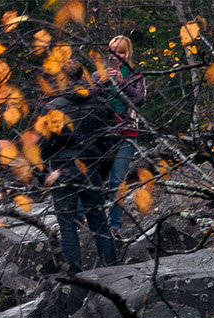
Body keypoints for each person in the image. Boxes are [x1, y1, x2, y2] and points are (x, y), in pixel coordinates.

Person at [43, 90, 119, 270]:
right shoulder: (100, 104)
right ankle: (113, 269)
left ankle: (75, 277)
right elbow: (111, 141)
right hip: (91, 167)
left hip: (63, 167)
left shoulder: (53, 107)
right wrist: (103, 170)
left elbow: (43, 142)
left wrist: (46, 168)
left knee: (67, 224)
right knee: (99, 222)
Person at [100, 37, 151, 236]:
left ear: (127, 54)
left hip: (127, 132)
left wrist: (122, 83)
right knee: (93, 177)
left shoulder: (136, 76)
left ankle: (114, 226)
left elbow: (139, 100)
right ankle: (87, 219)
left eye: (120, 52)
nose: (116, 56)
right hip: (103, 132)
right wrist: (102, 82)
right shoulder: (100, 74)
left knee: (117, 180)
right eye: (113, 51)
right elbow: (90, 98)